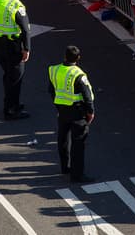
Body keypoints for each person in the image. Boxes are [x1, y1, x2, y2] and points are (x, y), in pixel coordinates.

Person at [49, 45, 95, 182]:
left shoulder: (54, 70)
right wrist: (90, 112)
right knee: (78, 143)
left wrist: (58, 104)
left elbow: (51, 90)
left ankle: (65, 167)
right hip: (77, 112)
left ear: (65, 56)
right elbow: (87, 96)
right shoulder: (78, 74)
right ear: (78, 58)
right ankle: (77, 175)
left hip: (62, 110)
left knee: (63, 139)